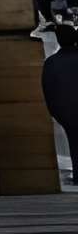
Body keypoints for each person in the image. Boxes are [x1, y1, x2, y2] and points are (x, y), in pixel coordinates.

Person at [40, 22, 78, 177]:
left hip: (67, 111)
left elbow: (48, 91)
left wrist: (57, 113)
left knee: (75, 142)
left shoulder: (51, 63)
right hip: (67, 110)